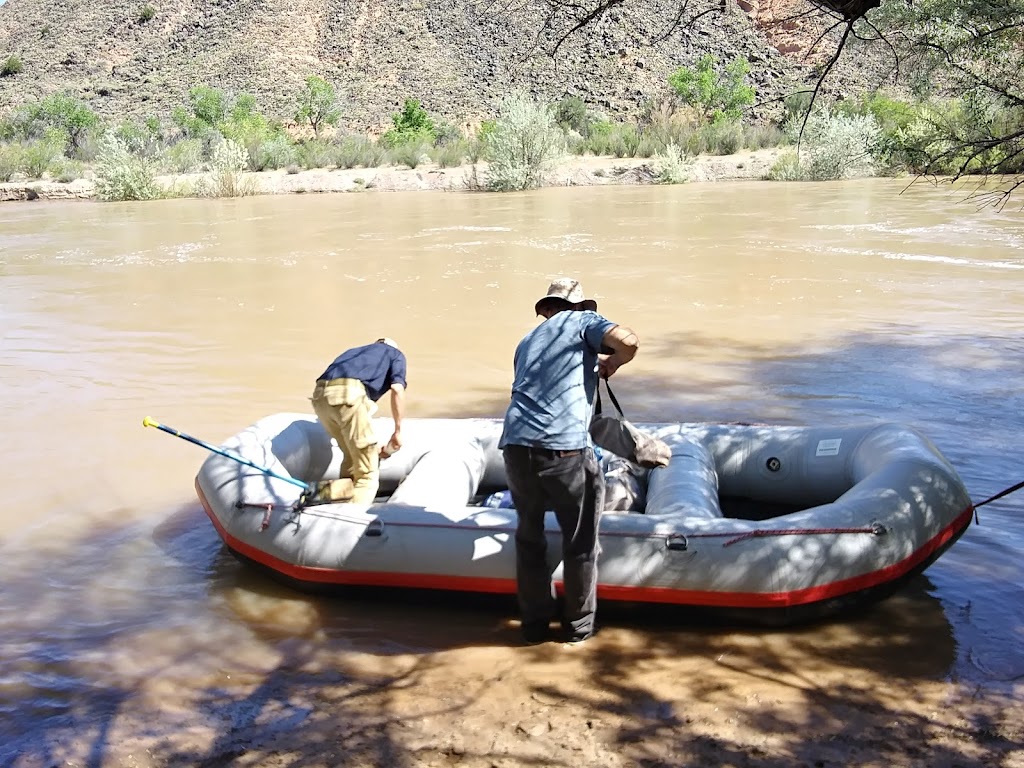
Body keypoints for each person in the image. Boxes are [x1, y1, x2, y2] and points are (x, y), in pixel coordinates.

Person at [499, 278, 639, 645]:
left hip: (515, 446)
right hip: (563, 449)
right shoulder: (582, 322)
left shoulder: (526, 342)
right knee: (580, 544)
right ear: (579, 307)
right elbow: (629, 341)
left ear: (546, 309)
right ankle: (577, 629)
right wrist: (612, 363)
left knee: (528, 537)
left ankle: (533, 628)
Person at [311, 338, 406, 504]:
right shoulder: (395, 354)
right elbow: (397, 389)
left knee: (351, 458)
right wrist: (397, 430)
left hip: (320, 397)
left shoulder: (354, 352)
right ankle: (351, 522)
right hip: (348, 395)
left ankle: (316, 494)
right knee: (368, 474)